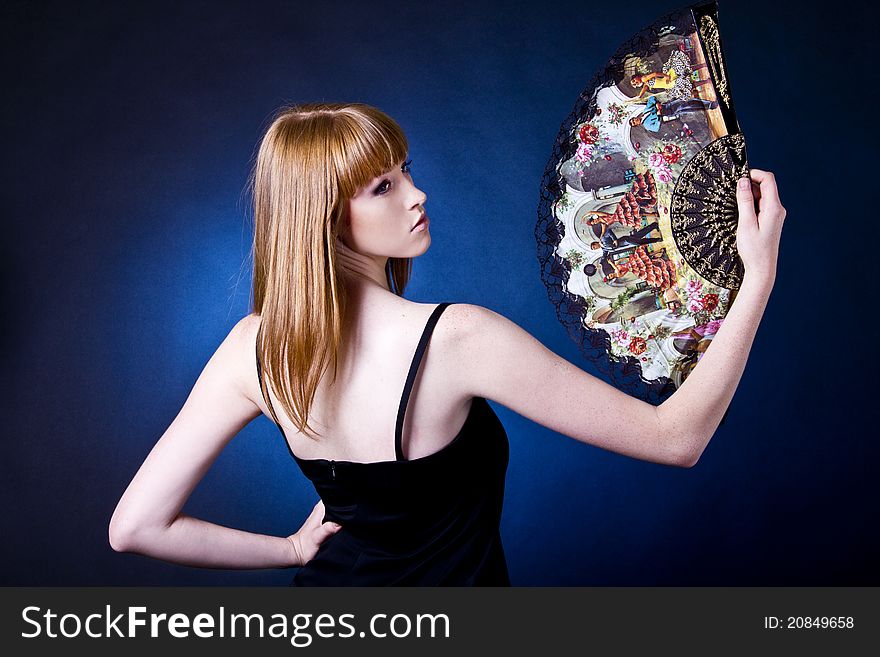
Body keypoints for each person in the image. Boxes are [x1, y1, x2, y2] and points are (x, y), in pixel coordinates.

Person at [108, 102, 786, 585]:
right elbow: (677, 438)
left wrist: (291, 550)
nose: (417, 193)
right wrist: (757, 278)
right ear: (326, 222)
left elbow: (135, 526)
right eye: (384, 186)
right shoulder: (456, 338)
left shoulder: (249, 349)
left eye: (405, 170)